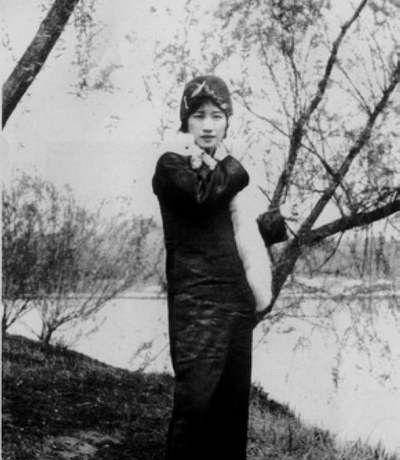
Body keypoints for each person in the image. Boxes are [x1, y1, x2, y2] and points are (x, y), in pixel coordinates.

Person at [152, 75, 287, 460]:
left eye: (217, 116)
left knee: (231, 413)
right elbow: (201, 199)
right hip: (197, 305)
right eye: (199, 116)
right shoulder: (171, 164)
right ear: (186, 121)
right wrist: (232, 165)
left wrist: (275, 223)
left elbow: (229, 234)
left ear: (228, 120)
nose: (208, 125)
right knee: (195, 410)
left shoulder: (219, 170)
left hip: (235, 301)